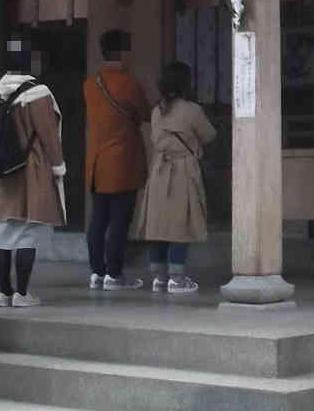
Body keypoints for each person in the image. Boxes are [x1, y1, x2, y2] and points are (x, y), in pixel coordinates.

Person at [130, 62, 217, 294]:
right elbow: (209, 135)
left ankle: (159, 277)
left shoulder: (157, 110)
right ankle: (177, 279)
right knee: (181, 224)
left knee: (159, 225)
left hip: (159, 171)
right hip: (183, 171)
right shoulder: (192, 110)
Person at [0, 55, 67, 308]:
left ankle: (3, 293)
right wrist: (58, 166)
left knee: (4, 229)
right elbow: (49, 134)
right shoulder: (39, 93)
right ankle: (22, 293)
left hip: (2, 168)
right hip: (30, 167)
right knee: (28, 232)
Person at [82, 29, 149, 290]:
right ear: (123, 52)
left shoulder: (89, 85)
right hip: (123, 162)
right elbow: (144, 113)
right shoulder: (129, 84)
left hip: (97, 163)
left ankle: (96, 272)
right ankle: (114, 273)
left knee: (98, 219)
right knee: (120, 220)